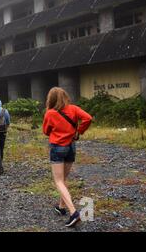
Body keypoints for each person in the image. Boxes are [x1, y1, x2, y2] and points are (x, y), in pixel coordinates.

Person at [43, 87, 92, 227]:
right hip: (71, 147)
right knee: (63, 179)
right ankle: (61, 207)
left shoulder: (50, 113)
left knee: (58, 181)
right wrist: (78, 131)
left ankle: (73, 212)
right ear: (65, 96)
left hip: (57, 147)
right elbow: (88, 118)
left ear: (50, 99)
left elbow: (46, 131)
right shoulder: (74, 109)